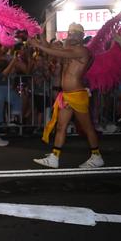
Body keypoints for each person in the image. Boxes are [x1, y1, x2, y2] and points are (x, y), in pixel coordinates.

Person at [28, 23, 103, 168]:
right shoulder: (70, 48)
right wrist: (40, 34)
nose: (71, 35)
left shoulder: (82, 51)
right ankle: (54, 158)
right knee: (61, 127)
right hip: (67, 95)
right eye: (70, 32)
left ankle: (97, 156)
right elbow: (50, 48)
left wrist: (38, 45)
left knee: (87, 128)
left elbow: (55, 53)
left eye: (75, 33)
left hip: (77, 94)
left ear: (81, 36)